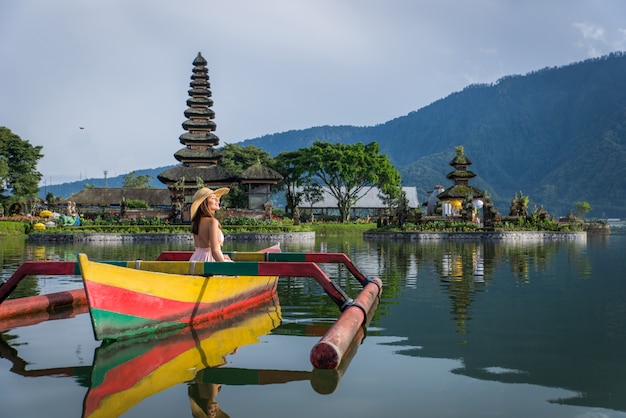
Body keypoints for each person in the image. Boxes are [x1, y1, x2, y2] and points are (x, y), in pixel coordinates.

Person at [190, 187, 231, 262]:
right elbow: (215, 251)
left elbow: (203, 248)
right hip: (209, 261)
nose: (217, 201)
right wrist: (225, 268)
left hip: (195, 259)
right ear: (204, 203)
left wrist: (221, 256)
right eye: (213, 198)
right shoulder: (212, 222)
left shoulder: (195, 222)